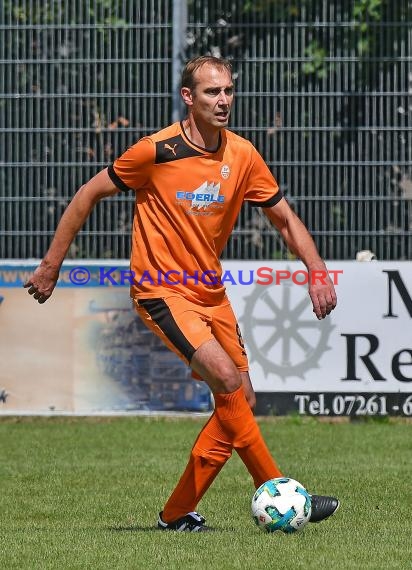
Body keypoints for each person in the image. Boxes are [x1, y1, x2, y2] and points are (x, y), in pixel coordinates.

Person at [25, 55, 339, 532]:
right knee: (227, 381)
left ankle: (176, 514)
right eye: (213, 92)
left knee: (241, 401)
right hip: (160, 292)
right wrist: (51, 266)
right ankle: (282, 491)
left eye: (229, 90)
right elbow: (87, 194)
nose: (224, 100)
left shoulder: (243, 155)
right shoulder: (156, 151)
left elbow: (284, 219)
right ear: (188, 98)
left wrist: (316, 270)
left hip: (211, 294)